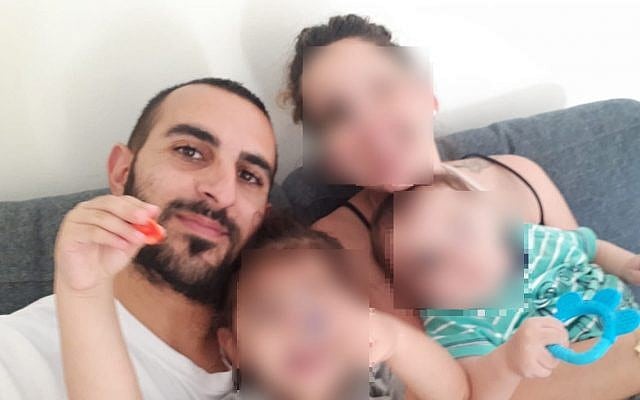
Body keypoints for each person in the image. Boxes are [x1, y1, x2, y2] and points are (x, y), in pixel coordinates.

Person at [283, 13, 640, 399]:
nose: (368, 123)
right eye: (336, 115)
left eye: (381, 88)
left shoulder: (521, 174)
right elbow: (453, 391)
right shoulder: (332, 250)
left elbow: (583, 271)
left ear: (426, 95)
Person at [0, 77, 277, 400]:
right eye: (189, 151)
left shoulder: (300, 342)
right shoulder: (16, 356)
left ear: (263, 217)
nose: (222, 192)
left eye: (249, 176)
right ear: (122, 172)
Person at [56, 210, 470, 400]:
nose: (297, 325)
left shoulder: (371, 381)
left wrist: (394, 339)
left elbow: (452, 392)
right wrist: (84, 291)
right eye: (269, 314)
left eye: (319, 306)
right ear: (233, 349)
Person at [370, 180, 640, 399]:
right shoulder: (455, 321)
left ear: (490, 214)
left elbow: (590, 247)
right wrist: (506, 363)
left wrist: (626, 264)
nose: (459, 256)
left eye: (461, 228)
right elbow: (474, 393)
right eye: (428, 262)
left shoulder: (531, 238)